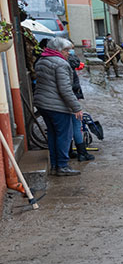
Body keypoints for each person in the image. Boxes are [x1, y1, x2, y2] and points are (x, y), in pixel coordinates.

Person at [33, 37, 83, 175]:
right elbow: (65, 89)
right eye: (66, 50)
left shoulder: (41, 60)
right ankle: (62, 165)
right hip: (56, 105)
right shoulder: (60, 64)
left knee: (53, 134)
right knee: (64, 135)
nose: (68, 53)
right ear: (58, 50)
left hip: (42, 103)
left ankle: (55, 165)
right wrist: (76, 107)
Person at [66, 46, 94, 162]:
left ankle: (69, 151)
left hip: (68, 100)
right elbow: (69, 88)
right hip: (71, 100)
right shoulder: (69, 70)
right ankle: (82, 153)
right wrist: (76, 106)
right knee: (76, 126)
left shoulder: (65, 68)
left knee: (68, 127)